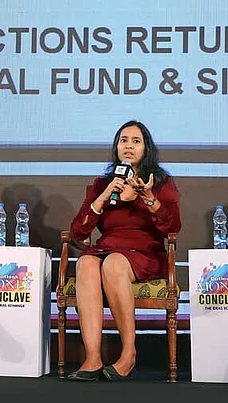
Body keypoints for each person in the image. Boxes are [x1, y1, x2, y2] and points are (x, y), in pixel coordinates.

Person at [66, 120, 181, 382]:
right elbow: (78, 232)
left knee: (114, 263)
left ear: (146, 148)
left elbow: (172, 227)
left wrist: (149, 198)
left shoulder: (160, 183)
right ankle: (93, 358)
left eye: (136, 141)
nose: (128, 146)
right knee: (86, 263)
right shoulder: (102, 184)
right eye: (123, 140)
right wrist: (103, 196)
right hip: (108, 247)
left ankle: (129, 353)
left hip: (146, 252)